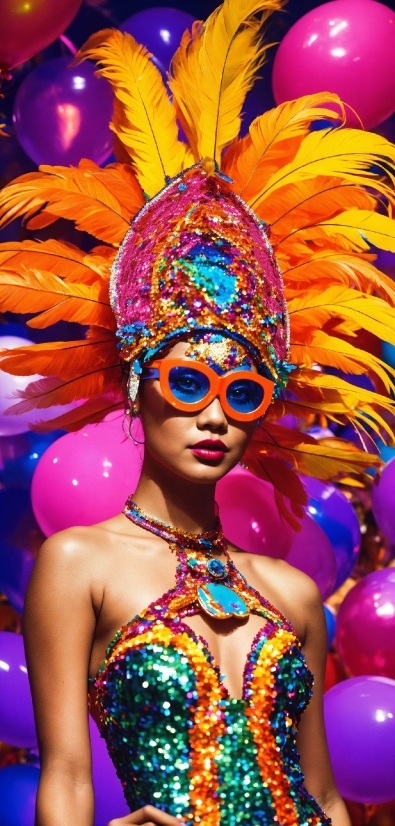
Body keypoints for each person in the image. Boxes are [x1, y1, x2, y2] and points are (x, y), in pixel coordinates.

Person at [1, 1, 395, 824]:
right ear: (139, 386)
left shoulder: (290, 595)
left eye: (242, 393)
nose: (214, 415)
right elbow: (66, 776)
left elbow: (321, 795)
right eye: (189, 384)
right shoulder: (77, 565)